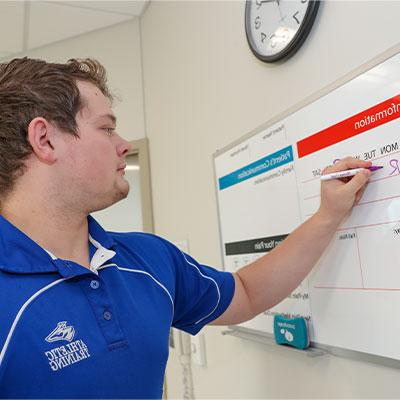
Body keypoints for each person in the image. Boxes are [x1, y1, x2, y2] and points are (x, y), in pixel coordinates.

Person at [0, 57, 372, 399]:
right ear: (45, 140)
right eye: (107, 128)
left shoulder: (148, 259)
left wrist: (327, 216)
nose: (122, 144)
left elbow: (246, 294)